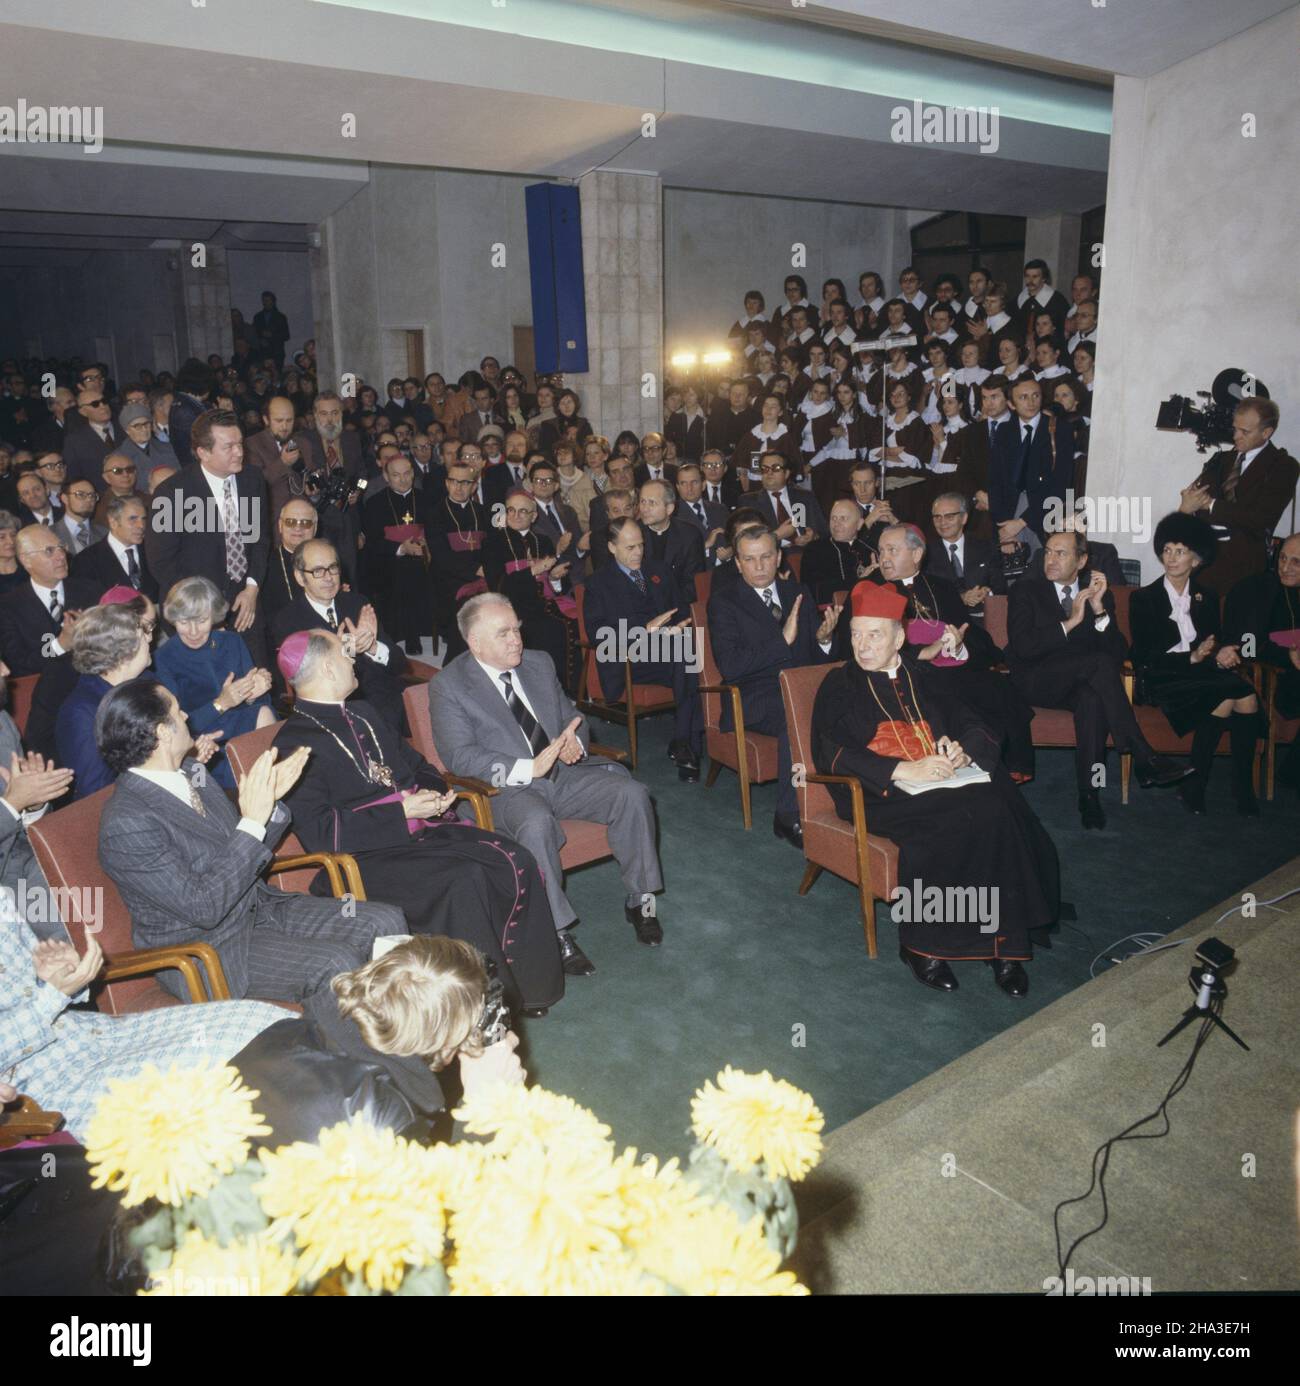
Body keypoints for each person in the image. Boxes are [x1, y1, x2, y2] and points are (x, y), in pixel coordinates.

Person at [272, 628, 564, 1015]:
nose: (352, 659)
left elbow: (418, 766)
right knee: (463, 880)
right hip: (363, 858)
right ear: (327, 668)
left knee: (515, 857)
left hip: (418, 831)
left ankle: (531, 987)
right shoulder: (294, 743)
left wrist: (430, 793)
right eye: (345, 655)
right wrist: (401, 812)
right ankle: (481, 1003)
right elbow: (321, 833)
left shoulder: (363, 713)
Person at [811, 581, 1060, 996]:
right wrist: (901, 770)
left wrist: (966, 751)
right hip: (877, 792)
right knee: (951, 821)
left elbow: (972, 720)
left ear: (899, 638)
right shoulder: (840, 684)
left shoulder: (922, 674)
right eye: (855, 633)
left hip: (945, 781)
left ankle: (1002, 944)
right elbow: (829, 751)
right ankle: (923, 945)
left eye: (874, 634)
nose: (862, 644)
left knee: (998, 806)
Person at [95, 677, 405, 1003]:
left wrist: (269, 805)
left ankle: (406, 1025)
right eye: (177, 711)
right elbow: (204, 907)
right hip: (209, 949)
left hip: (260, 908)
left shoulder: (192, 774)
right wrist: (253, 821)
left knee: (385, 921)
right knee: (336, 962)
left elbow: (247, 849)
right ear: (161, 732)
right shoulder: (126, 823)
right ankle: (364, 1046)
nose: (186, 715)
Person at [429, 593, 664, 974]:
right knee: (536, 823)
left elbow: (573, 716)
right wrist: (528, 767)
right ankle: (556, 931)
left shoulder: (538, 663)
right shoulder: (449, 685)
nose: (516, 639)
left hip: (564, 775)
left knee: (632, 794)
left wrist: (576, 740)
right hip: (506, 789)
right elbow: (460, 758)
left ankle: (642, 900)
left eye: (517, 629)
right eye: (503, 633)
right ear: (474, 643)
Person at [0, 890, 286, 1142]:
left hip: (97, 1035)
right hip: (46, 1086)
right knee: (214, 1089)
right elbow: (43, 1005)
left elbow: (34, 992)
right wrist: (51, 996)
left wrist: (57, 974)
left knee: (264, 1025)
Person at [227, 935, 526, 1147]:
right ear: (448, 1046)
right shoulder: (390, 1122)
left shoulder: (284, 1033)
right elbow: (441, 1223)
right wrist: (483, 1109)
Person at [1006, 529, 1193, 829]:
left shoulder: (1095, 593)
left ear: (1081, 561)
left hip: (1079, 681)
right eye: (1048, 552)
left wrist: (1098, 610)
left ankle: (1088, 796)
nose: (1050, 559)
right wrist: (1071, 622)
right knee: (1097, 664)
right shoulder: (1026, 590)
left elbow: (1118, 654)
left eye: (1061, 553)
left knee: (1092, 700)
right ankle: (1143, 755)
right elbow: (1023, 648)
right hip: (1034, 679)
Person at [707, 526, 840, 846]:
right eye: (749, 559)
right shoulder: (723, 603)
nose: (759, 566)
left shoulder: (798, 592)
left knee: (844, 704)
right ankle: (787, 814)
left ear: (779, 556)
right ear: (737, 563)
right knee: (795, 716)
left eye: (766, 556)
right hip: (753, 696)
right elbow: (732, 667)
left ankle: (841, 800)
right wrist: (782, 641)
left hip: (801, 687)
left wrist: (824, 640)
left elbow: (815, 656)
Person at [1130, 513, 1260, 816]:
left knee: (1246, 694)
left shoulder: (1208, 597)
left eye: (1181, 551)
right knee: (1227, 696)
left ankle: (1240, 785)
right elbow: (1144, 656)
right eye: (1167, 550)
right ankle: (1197, 786)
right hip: (1162, 677)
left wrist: (1223, 651)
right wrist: (1191, 657)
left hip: (1202, 675)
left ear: (1197, 559)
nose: (1172, 558)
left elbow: (1214, 640)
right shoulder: (1143, 598)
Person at [146, 407, 271, 666]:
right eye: (229, 447)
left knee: (255, 686)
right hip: (194, 617)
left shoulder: (251, 479)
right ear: (203, 452)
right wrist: (204, 615)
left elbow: (259, 540)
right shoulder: (171, 493)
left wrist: (251, 588)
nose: (239, 452)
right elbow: (162, 563)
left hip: (245, 606)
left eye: (240, 443)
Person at [582, 515, 703, 779]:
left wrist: (678, 626)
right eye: (630, 547)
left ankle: (685, 742)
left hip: (669, 649)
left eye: (640, 545)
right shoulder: (598, 583)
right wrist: (645, 630)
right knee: (690, 660)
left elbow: (681, 608)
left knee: (692, 656)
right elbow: (598, 636)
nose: (638, 552)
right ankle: (689, 742)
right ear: (612, 547)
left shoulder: (658, 571)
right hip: (628, 658)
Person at [271, 538, 408, 733]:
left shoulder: (357, 603)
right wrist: (346, 649)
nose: (329, 577)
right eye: (318, 571)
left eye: (333, 568)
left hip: (382, 701)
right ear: (301, 578)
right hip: (336, 710)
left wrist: (372, 647)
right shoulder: (288, 620)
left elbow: (399, 664)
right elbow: (307, 683)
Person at [155, 576, 275, 789]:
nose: (193, 632)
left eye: (201, 621)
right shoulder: (164, 657)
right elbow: (173, 727)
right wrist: (221, 703)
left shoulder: (232, 641)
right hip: (199, 739)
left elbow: (259, 704)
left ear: (215, 616)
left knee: (264, 712)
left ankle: (272, 790)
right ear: (173, 619)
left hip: (242, 728)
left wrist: (253, 694)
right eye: (184, 622)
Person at [1178, 399, 1298, 597]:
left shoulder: (1283, 466)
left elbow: (1261, 519)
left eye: (1245, 432)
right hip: (1203, 566)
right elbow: (1193, 501)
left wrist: (1211, 504)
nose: (1235, 437)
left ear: (1266, 432)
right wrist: (1188, 505)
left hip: (1245, 572)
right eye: (1235, 429)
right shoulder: (1220, 460)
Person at [57, 597, 156, 800]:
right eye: (143, 634)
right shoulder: (81, 712)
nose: (150, 639)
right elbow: (95, 792)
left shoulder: (146, 683)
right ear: (124, 653)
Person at [1224, 531, 1300, 793]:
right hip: (1274, 679)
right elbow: (1247, 646)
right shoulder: (1258, 589)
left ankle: (1291, 772)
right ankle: (1291, 774)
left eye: (1296, 562)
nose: (1286, 568)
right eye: (1283, 559)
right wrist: (1287, 651)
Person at [482, 488, 578, 690]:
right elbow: (497, 583)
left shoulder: (542, 541)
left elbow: (558, 584)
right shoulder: (494, 541)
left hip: (546, 604)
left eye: (523, 511)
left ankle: (576, 691)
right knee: (549, 629)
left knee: (577, 622)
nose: (516, 516)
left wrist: (554, 578)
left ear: (534, 516)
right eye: (511, 510)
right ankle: (547, 691)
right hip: (513, 606)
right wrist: (532, 570)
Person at [360, 451, 433, 654]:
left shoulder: (425, 499)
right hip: (388, 560)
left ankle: (429, 628)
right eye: (396, 475)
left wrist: (426, 545)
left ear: (413, 474)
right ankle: (410, 635)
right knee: (406, 570)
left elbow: (435, 530)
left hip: (424, 556)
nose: (403, 479)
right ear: (386, 477)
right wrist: (401, 548)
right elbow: (373, 542)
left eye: (407, 473)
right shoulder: (375, 503)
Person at [988, 377, 1074, 546]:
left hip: (1042, 514)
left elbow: (1061, 484)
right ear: (1011, 404)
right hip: (1007, 519)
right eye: (1023, 397)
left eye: (1036, 396)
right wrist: (1004, 527)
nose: (1031, 402)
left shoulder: (1060, 430)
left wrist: (1021, 522)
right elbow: (995, 482)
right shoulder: (1003, 432)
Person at [927, 490, 1004, 624]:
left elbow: (1001, 587)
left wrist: (988, 592)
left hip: (985, 621)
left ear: (964, 518)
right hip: (945, 624)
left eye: (949, 516)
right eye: (937, 517)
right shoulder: (925, 554)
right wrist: (961, 598)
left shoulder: (986, 548)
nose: (942, 522)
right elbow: (927, 597)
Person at [72, 493, 158, 599]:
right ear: (113, 522)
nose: (141, 525)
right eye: (133, 519)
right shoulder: (86, 561)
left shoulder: (154, 551)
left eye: (144, 519)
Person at [802, 498, 878, 605]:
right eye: (833, 518)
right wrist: (859, 581)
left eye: (843, 518)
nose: (836, 524)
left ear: (859, 524)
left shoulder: (871, 549)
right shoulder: (814, 550)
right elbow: (812, 591)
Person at [262, 496, 318, 623]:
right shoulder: (265, 565)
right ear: (280, 525)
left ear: (315, 527)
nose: (298, 528)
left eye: (305, 523)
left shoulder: (327, 561)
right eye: (291, 522)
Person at [52, 478, 106, 557]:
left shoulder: (105, 533)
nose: (89, 499)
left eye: (92, 495)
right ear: (65, 498)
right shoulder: (50, 534)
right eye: (80, 494)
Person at [253, 290, 291, 366]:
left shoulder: (280, 317)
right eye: (264, 300)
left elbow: (286, 336)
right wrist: (260, 339)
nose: (265, 302)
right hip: (262, 352)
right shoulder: (257, 317)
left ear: (273, 301)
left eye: (268, 300)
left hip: (277, 353)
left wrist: (272, 335)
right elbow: (254, 333)